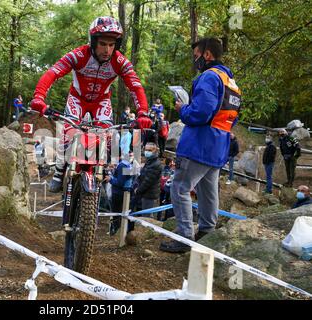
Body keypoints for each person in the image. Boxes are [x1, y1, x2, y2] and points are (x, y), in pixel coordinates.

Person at [30, 16, 152, 193]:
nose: (107, 50)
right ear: (93, 42)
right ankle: (59, 170)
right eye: (102, 44)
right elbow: (53, 73)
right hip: (77, 98)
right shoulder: (79, 55)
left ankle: (99, 172)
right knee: (69, 133)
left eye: (111, 45)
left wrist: (143, 113)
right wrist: (39, 97)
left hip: (101, 101)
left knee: (106, 137)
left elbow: (136, 86)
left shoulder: (120, 61)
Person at [160, 38, 241, 253]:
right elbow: (233, 117)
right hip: (218, 145)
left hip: (199, 144)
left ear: (206, 54)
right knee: (208, 190)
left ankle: (184, 236)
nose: (194, 59)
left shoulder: (208, 77)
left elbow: (202, 111)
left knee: (180, 187)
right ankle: (206, 231)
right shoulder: (230, 82)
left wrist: (183, 109)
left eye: (196, 54)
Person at [104, 152, 135, 235]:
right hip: (126, 192)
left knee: (116, 212)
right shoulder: (129, 164)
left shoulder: (122, 165)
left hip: (118, 193)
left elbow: (120, 182)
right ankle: (120, 229)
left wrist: (110, 179)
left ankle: (115, 230)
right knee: (122, 212)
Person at [135, 143, 163, 211]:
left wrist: (138, 190)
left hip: (150, 196)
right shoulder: (150, 161)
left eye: (150, 150)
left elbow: (147, 181)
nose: (147, 152)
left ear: (155, 151)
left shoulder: (155, 164)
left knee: (146, 217)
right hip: (145, 194)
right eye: (146, 150)